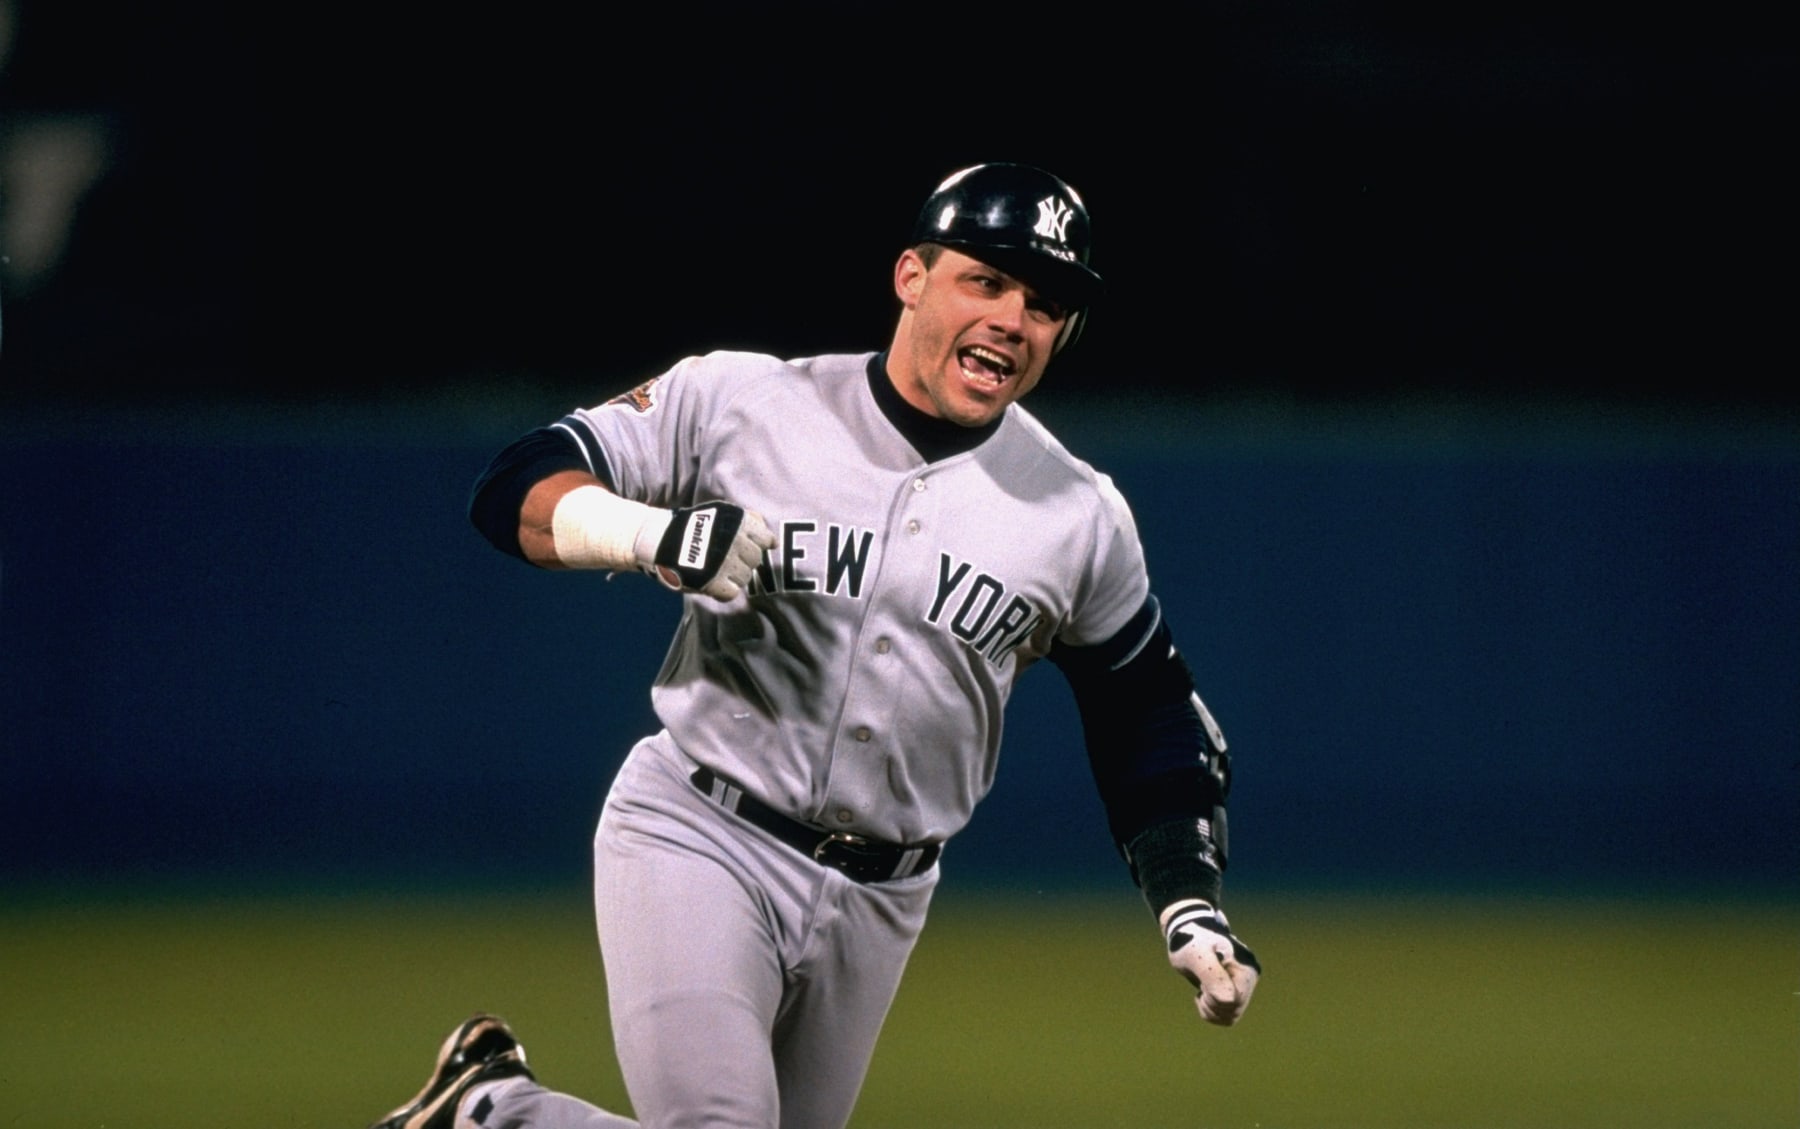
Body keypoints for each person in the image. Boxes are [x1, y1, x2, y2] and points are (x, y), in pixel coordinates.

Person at [371, 163, 1261, 1129]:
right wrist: (647, 532)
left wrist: (1187, 897)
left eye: (1045, 304)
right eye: (987, 280)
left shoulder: (1077, 513)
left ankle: (491, 1113)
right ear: (911, 275)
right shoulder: (746, 399)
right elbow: (517, 485)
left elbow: (1146, 709)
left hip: (884, 897)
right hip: (702, 829)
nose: (1013, 318)